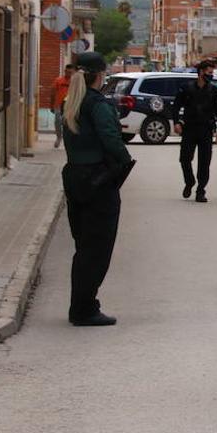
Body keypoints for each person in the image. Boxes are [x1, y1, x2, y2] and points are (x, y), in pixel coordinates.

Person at [60, 52, 135, 327]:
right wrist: (124, 161)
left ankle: (80, 304)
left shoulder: (71, 102)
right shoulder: (98, 105)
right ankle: (84, 308)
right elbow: (110, 138)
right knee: (98, 248)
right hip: (98, 181)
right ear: (99, 76)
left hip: (74, 177)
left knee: (84, 247)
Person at [171, 60, 217, 202]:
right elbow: (176, 106)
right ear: (201, 72)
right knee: (184, 159)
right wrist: (176, 122)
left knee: (204, 161)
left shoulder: (214, 91)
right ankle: (189, 182)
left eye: (212, 73)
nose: (211, 76)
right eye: (209, 72)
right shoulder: (187, 88)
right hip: (189, 128)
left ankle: (201, 190)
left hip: (206, 130)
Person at [52, 63, 75, 148]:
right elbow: (53, 93)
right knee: (57, 121)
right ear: (65, 71)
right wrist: (51, 105)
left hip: (70, 106)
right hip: (58, 105)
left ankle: (68, 140)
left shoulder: (74, 83)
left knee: (68, 123)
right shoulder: (58, 80)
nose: (68, 74)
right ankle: (58, 137)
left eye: (70, 72)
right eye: (67, 72)